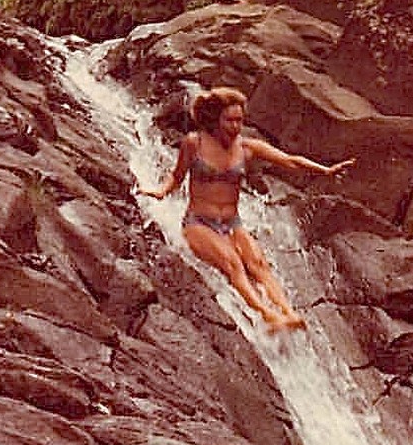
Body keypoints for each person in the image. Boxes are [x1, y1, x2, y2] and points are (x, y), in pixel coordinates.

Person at [138, 86, 354, 332]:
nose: (235, 126)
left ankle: (289, 313)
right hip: (198, 223)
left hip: (232, 223)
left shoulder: (248, 147)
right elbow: (176, 177)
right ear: (215, 119)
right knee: (233, 264)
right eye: (229, 120)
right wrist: (159, 191)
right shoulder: (194, 143)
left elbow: (289, 160)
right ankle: (267, 315)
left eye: (239, 120)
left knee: (259, 263)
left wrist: (325, 171)